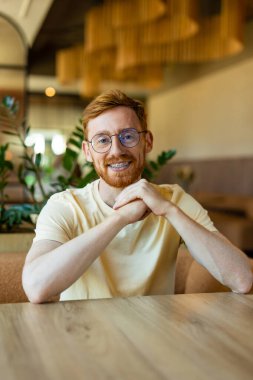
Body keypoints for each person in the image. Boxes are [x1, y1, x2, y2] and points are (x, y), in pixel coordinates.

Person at [22, 89, 253, 303]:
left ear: (147, 141)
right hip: (84, 337)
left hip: (154, 339)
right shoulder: (66, 205)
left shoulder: (173, 200)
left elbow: (242, 279)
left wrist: (169, 210)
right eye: (102, 140)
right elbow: (35, 287)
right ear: (87, 152)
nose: (116, 150)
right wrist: (119, 218)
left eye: (128, 136)